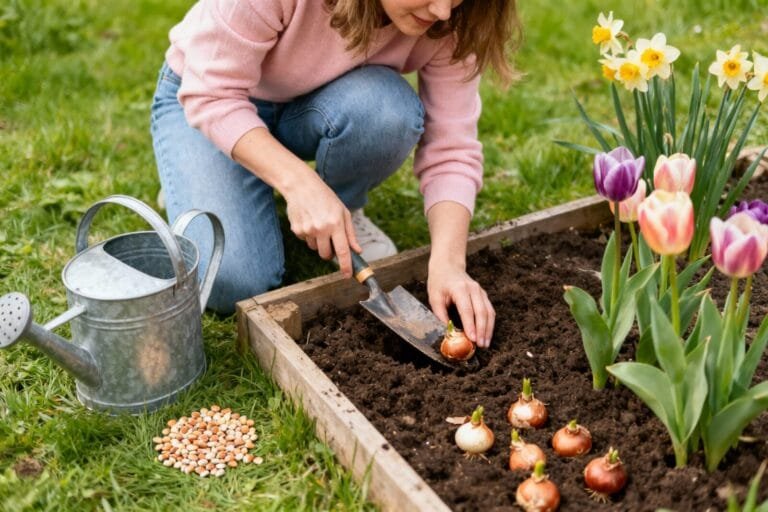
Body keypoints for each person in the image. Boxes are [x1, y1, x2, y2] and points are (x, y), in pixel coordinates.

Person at [150, 0, 522, 349]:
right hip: (207, 98)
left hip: (314, 104)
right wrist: (300, 183)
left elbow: (451, 149)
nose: (442, 11)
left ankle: (339, 209)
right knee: (232, 282)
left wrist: (449, 263)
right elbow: (211, 94)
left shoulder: (455, 16)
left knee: (387, 112)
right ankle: (206, 175)